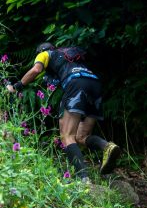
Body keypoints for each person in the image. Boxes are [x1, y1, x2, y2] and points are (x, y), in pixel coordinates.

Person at [7, 42, 121, 183]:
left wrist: (17, 86)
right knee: (81, 136)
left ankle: (83, 180)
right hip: (94, 83)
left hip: (76, 83)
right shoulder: (69, 56)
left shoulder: (45, 54)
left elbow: (36, 70)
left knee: (67, 136)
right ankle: (107, 146)